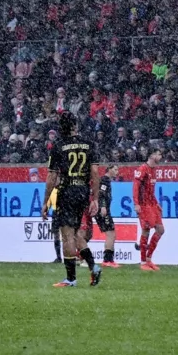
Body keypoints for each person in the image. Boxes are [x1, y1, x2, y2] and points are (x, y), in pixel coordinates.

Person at [45, 114, 101, 288]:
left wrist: (46, 202)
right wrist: (96, 199)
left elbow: (52, 177)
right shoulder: (89, 144)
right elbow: (95, 173)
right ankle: (93, 266)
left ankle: (71, 279)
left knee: (67, 235)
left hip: (67, 191)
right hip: (83, 191)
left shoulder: (59, 146)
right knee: (77, 234)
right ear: (75, 126)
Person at [131, 151, 166, 271]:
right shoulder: (143, 169)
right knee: (145, 230)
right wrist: (136, 203)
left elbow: (150, 191)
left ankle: (149, 258)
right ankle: (143, 262)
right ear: (151, 155)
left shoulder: (153, 170)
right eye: (158, 154)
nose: (160, 157)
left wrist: (156, 203)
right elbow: (136, 187)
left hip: (152, 204)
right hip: (144, 205)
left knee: (160, 230)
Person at [87, 162, 119, 269]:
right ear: (109, 169)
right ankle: (107, 260)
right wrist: (103, 206)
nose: (117, 172)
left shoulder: (106, 180)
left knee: (112, 233)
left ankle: (110, 259)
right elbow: (101, 194)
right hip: (102, 210)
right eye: (115, 169)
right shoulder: (104, 180)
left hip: (104, 209)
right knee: (110, 233)